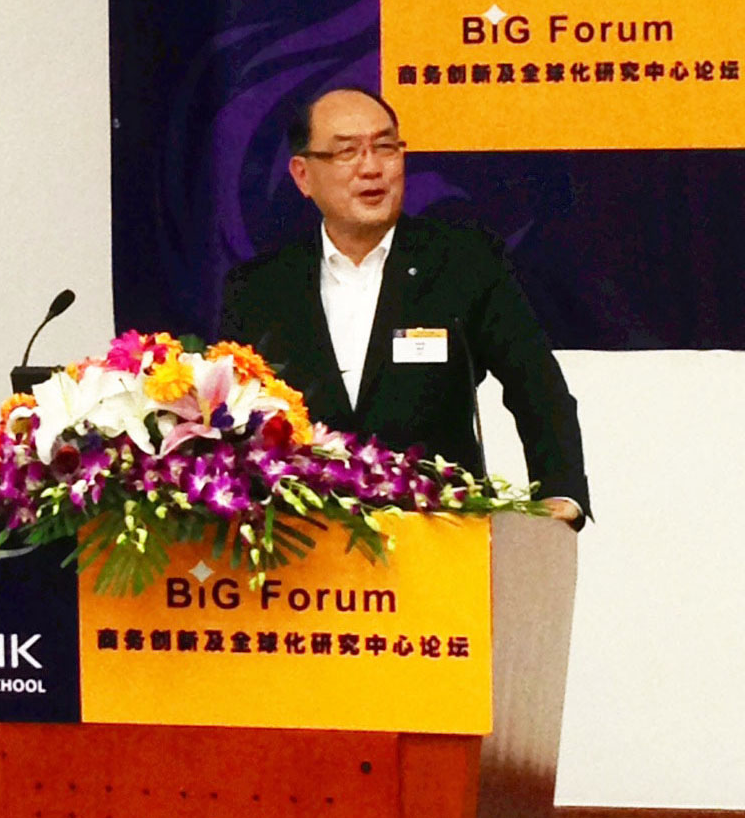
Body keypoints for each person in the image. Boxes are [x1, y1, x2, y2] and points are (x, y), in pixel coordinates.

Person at [219, 87, 590, 525]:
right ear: (303, 175)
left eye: (385, 147)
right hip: (302, 539)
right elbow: (228, 419)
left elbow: (537, 387)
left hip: (441, 533)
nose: (371, 168)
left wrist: (561, 492)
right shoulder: (258, 288)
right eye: (347, 152)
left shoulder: (463, 264)